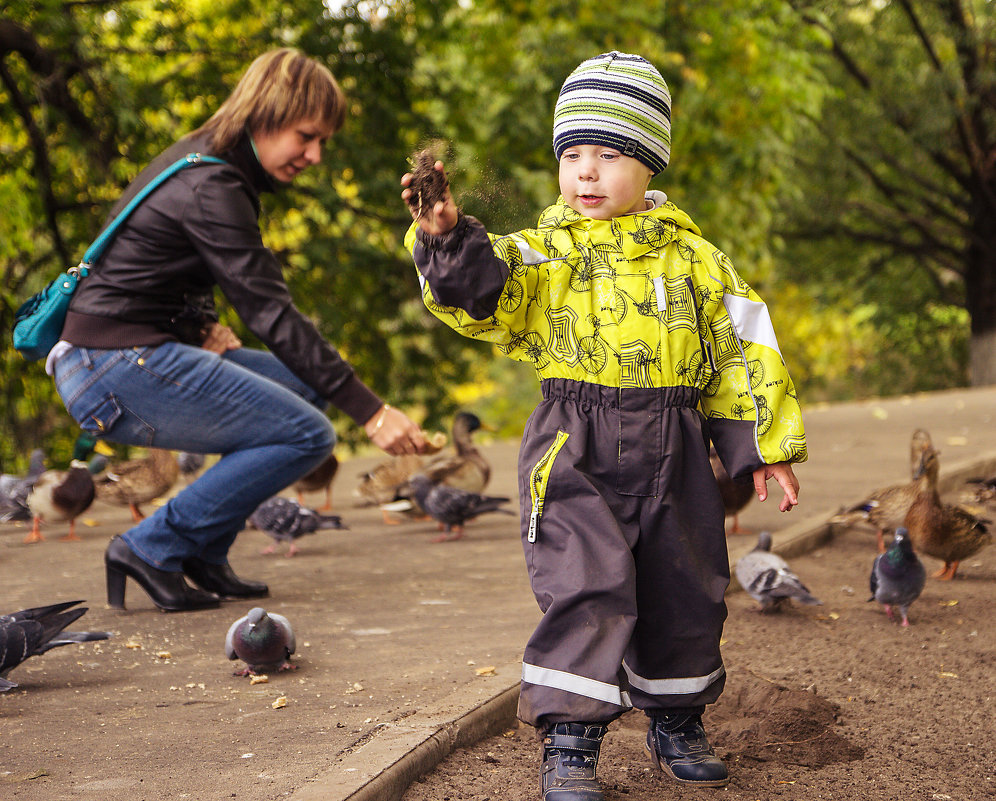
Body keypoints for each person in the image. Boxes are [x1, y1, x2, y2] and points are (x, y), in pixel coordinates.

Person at [401, 52, 806, 798]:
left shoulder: (700, 261)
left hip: (677, 446)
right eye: (573, 154)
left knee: (688, 588)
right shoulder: (543, 252)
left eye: (610, 154)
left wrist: (762, 448)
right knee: (584, 585)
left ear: (650, 164)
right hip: (572, 446)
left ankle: (677, 717)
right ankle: (570, 738)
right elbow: (482, 293)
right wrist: (447, 238)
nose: (586, 172)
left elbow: (744, 352)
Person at [49, 48, 427, 613]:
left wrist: (198, 325)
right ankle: (152, 547)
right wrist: (372, 412)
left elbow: (153, 266)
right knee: (309, 434)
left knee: (303, 385)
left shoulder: (205, 161)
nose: (316, 155)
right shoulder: (213, 185)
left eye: (322, 141)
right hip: (110, 365)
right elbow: (270, 313)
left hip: (126, 352)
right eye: (307, 136)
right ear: (266, 112)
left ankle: (202, 549)